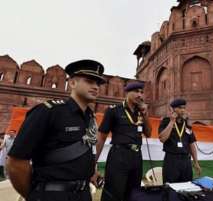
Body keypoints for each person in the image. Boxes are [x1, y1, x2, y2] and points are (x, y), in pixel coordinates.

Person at [6, 59, 106, 201]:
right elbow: (16, 163)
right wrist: (33, 196)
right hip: (52, 195)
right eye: (89, 81)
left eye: (98, 83)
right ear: (72, 83)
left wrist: (90, 172)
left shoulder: (90, 117)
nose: (96, 86)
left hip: (83, 195)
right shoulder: (48, 111)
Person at [94, 81, 152, 201]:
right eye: (136, 92)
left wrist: (145, 114)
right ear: (127, 92)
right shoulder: (114, 110)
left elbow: (148, 133)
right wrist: (93, 163)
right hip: (119, 156)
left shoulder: (140, 112)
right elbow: (101, 137)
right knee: (113, 193)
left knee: (133, 193)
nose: (140, 95)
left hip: (136, 156)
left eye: (141, 92)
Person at [158, 98, 201, 183]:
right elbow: (162, 139)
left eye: (184, 108)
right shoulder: (166, 121)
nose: (183, 110)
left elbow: (191, 143)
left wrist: (196, 162)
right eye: (180, 108)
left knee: (186, 186)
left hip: (186, 160)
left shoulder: (186, 124)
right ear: (173, 109)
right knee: (170, 188)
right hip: (172, 160)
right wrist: (172, 122)